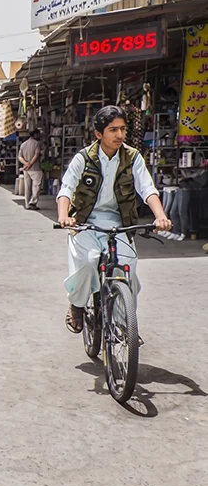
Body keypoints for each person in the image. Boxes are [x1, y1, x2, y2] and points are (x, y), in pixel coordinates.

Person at [57, 106, 172, 333]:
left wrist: (161, 217)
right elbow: (66, 189)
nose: (119, 135)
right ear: (99, 134)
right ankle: (78, 305)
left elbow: (147, 188)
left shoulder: (133, 157)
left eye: (122, 129)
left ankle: (124, 326)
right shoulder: (83, 158)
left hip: (120, 224)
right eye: (113, 130)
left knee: (127, 266)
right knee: (88, 262)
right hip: (84, 222)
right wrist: (63, 216)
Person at [19, 129, 44, 210]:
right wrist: (29, 164)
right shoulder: (37, 144)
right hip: (35, 168)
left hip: (26, 169)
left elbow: (19, 157)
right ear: (35, 135)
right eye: (38, 134)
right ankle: (33, 202)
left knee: (27, 187)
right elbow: (36, 155)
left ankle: (27, 204)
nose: (39, 136)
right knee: (37, 186)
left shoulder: (23, 144)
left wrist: (26, 164)